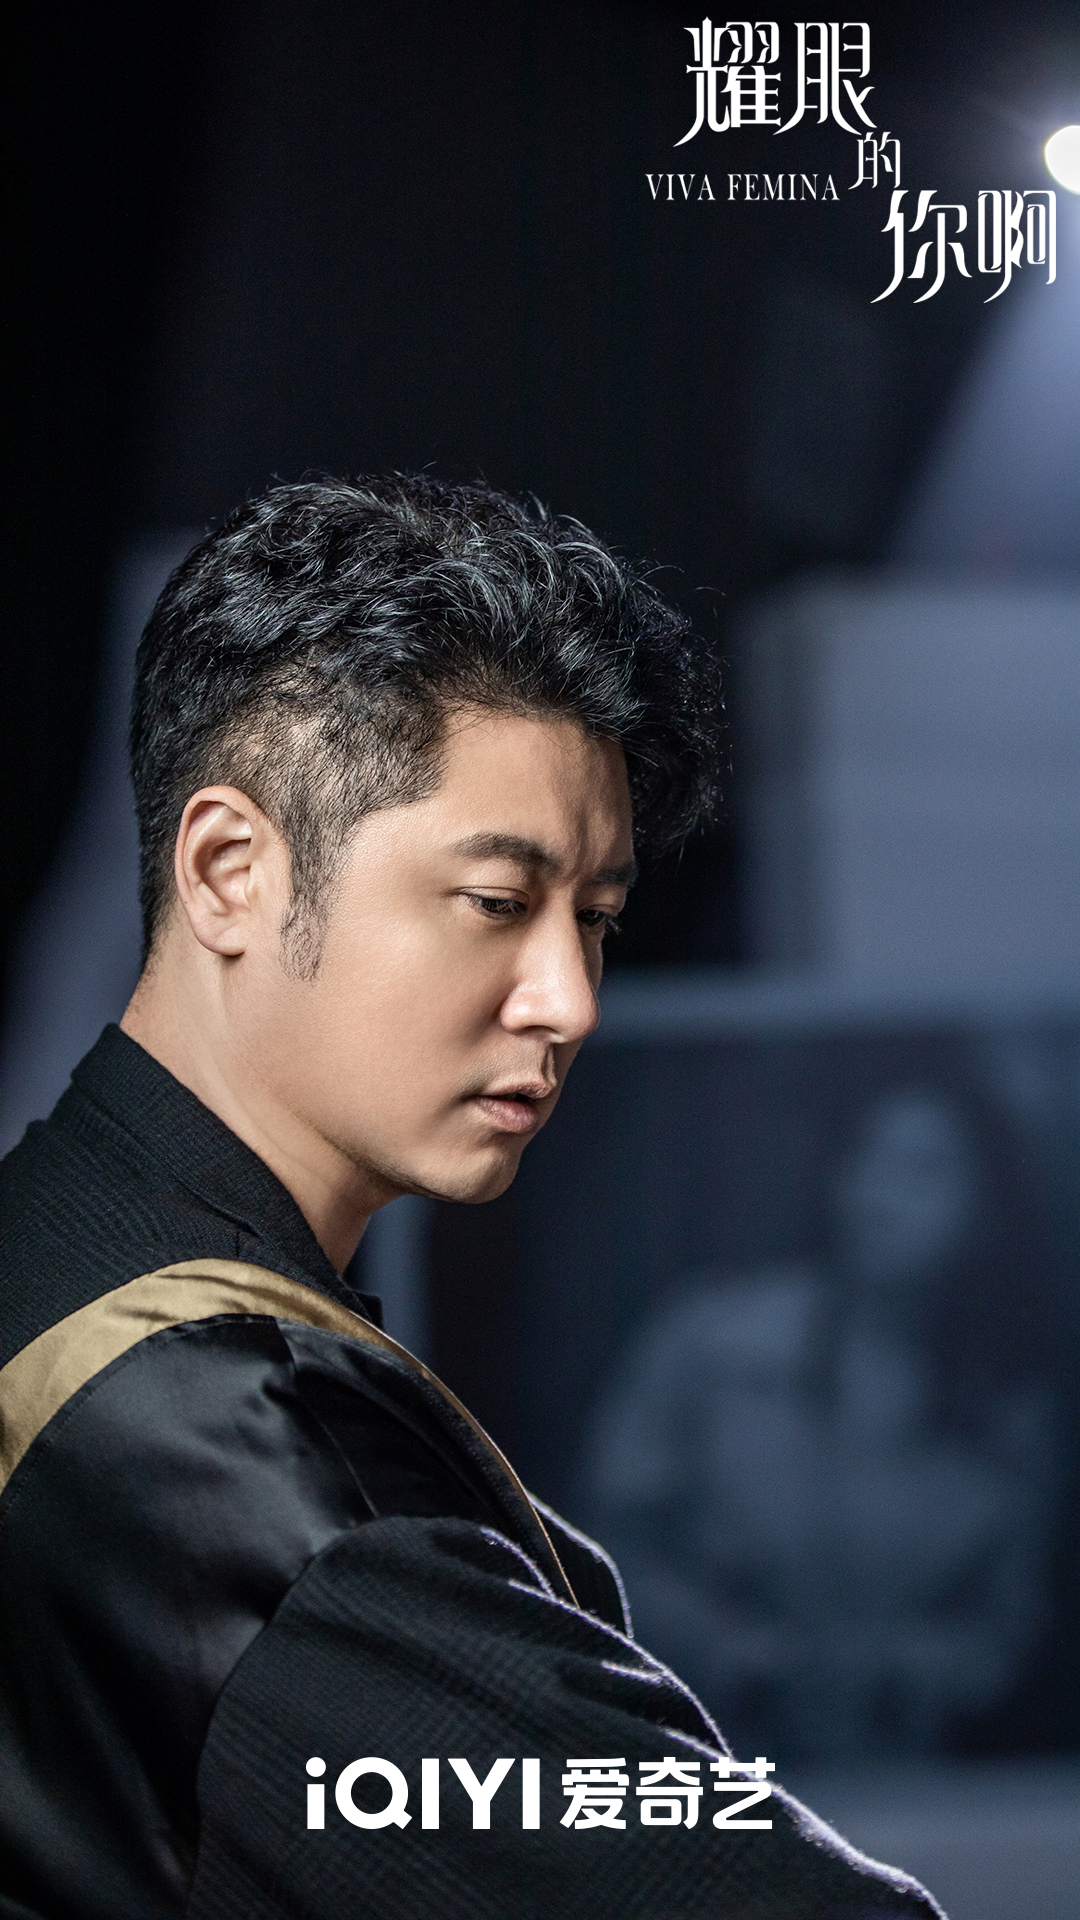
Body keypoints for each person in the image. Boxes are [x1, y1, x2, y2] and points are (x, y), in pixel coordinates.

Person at [0, 476, 941, 1919]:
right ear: (230, 871)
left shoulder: (49, 1249)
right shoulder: (239, 1453)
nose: (568, 1000)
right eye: (498, 904)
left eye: (597, 920)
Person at [579, 1079, 1060, 1766]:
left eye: (924, 1170)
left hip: (898, 1775)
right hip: (695, 1755)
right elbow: (602, 1549)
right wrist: (727, 1649)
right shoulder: (709, 1344)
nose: (881, 1194)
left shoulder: (1005, 1415)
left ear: (986, 1208)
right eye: (868, 1157)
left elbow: (1004, 1629)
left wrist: (901, 1671)